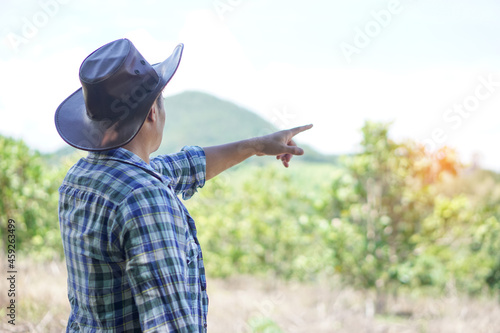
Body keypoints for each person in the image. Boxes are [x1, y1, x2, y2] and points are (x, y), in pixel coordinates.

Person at [55, 38, 312, 332]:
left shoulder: (83, 176)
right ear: (153, 111)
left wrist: (255, 145)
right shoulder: (144, 198)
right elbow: (170, 325)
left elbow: (184, 167)